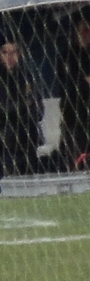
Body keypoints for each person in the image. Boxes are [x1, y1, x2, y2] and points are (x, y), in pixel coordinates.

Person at [0, 37, 41, 180]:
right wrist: (25, 103)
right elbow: (3, 109)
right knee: (10, 181)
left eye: (14, 52)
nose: (10, 57)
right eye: (5, 52)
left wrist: (25, 106)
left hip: (27, 137)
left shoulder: (25, 76)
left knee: (30, 180)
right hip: (2, 141)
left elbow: (38, 110)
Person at [59, 15, 90, 171]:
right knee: (78, 145)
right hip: (75, 109)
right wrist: (85, 81)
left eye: (87, 31)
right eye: (82, 31)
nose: (86, 35)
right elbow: (67, 83)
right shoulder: (68, 55)